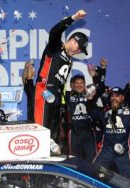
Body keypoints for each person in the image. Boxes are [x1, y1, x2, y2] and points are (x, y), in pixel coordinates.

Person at [34, 9, 89, 144]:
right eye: (79, 46)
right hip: (45, 90)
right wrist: (73, 18)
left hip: (57, 97)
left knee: (53, 134)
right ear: (72, 40)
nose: (79, 50)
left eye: (81, 50)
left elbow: (62, 83)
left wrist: (62, 102)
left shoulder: (70, 61)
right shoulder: (56, 47)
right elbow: (54, 32)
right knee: (42, 129)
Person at [93, 86, 130, 183]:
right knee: (93, 174)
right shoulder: (105, 112)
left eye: (117, 96)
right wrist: (95, 96)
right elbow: (92, 112)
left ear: (123, 98)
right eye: (112, 96)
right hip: (106, 150)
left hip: (123, 152)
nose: (114, 98)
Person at [65, 75, 96, 161]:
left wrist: (91, 99)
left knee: (91, 159)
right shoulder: (68, 96)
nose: (79, 85)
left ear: (85, 84)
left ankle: (90, 174)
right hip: (74, 133)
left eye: (81, 83)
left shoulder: (90, 96)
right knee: (74, 159)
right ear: (73, 85)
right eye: (76, 83)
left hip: (88, 133)